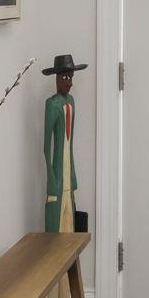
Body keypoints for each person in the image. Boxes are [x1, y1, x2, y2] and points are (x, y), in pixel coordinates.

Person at [41, 53, 84, 233]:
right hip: (58, 177)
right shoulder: (52, 104)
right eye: (66, 78)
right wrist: (52, 178)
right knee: (55, 225)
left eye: (71, 77)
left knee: (70, 226)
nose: (70, 83)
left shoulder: (71, 102)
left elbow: (70, 142)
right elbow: (46, 146)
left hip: (69, 176)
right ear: (57, 79)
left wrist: (73, 176)